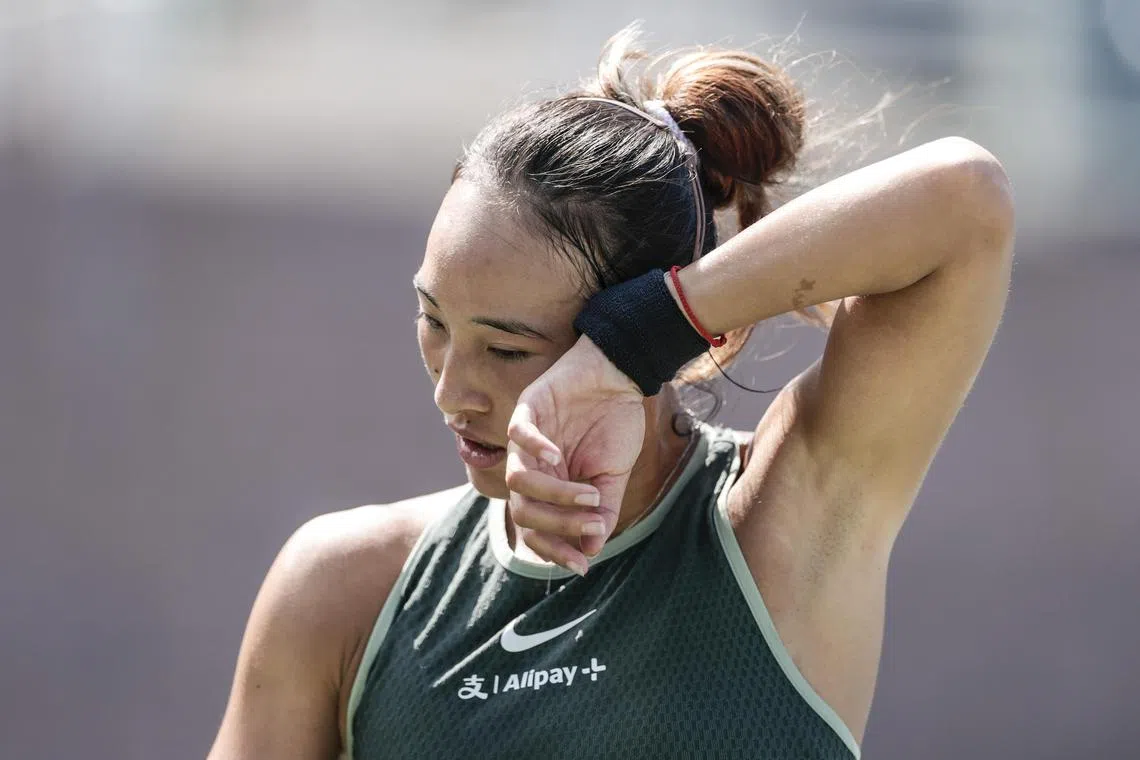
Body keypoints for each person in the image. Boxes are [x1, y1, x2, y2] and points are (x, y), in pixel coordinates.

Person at [207, 26, 1014, 760]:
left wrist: (638, 342)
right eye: (435, 322)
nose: (454, 391)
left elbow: (965, 202)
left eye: (508, 347)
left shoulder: (779, 525)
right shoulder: (345, 587)